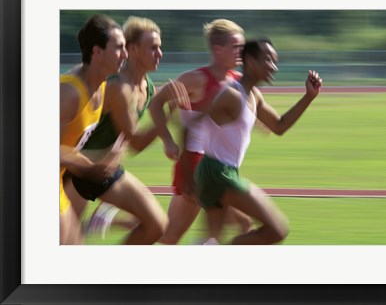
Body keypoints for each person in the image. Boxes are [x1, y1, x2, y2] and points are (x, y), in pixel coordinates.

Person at [63, 16, 182, 244]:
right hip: (80, 171)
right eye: (153, 48)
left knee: (157, 225)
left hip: (106, 171)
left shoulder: (147, 87)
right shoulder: (118, 86)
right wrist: (168, 112)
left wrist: (165, 134)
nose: (160, 54)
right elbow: (136, 140)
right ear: (133, 49)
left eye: (160, 47)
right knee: (65, 246)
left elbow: (130, 140)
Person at [194, 38, 322, 244]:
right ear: (251, 61)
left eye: (275, 61)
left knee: (213, 241)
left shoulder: (254, 96)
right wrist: (181, 157)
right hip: (218, 172)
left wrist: (308, 97)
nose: (274, 67)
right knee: (277, 229)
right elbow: (195, 120)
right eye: (268, 60)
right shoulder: (232, 95)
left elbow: (279, 126)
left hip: (219, 171)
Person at [149, 18, 253, 245]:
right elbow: (155, 103)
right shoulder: (196, 79)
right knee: (242, 224)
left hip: (220, 165)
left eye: (243, 47)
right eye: (236, 47)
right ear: (218, 49)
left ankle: (125, 221)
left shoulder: (237, 81)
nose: (241, 52)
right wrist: (167, 140)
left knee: (170, 236)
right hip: (194, 165)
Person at [60, 14, 128, 245]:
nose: (125, 54)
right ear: (97, 52)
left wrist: (113, 153)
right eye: (119, 48)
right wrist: (90, 168)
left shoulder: (101, 85)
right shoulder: (69, 93)